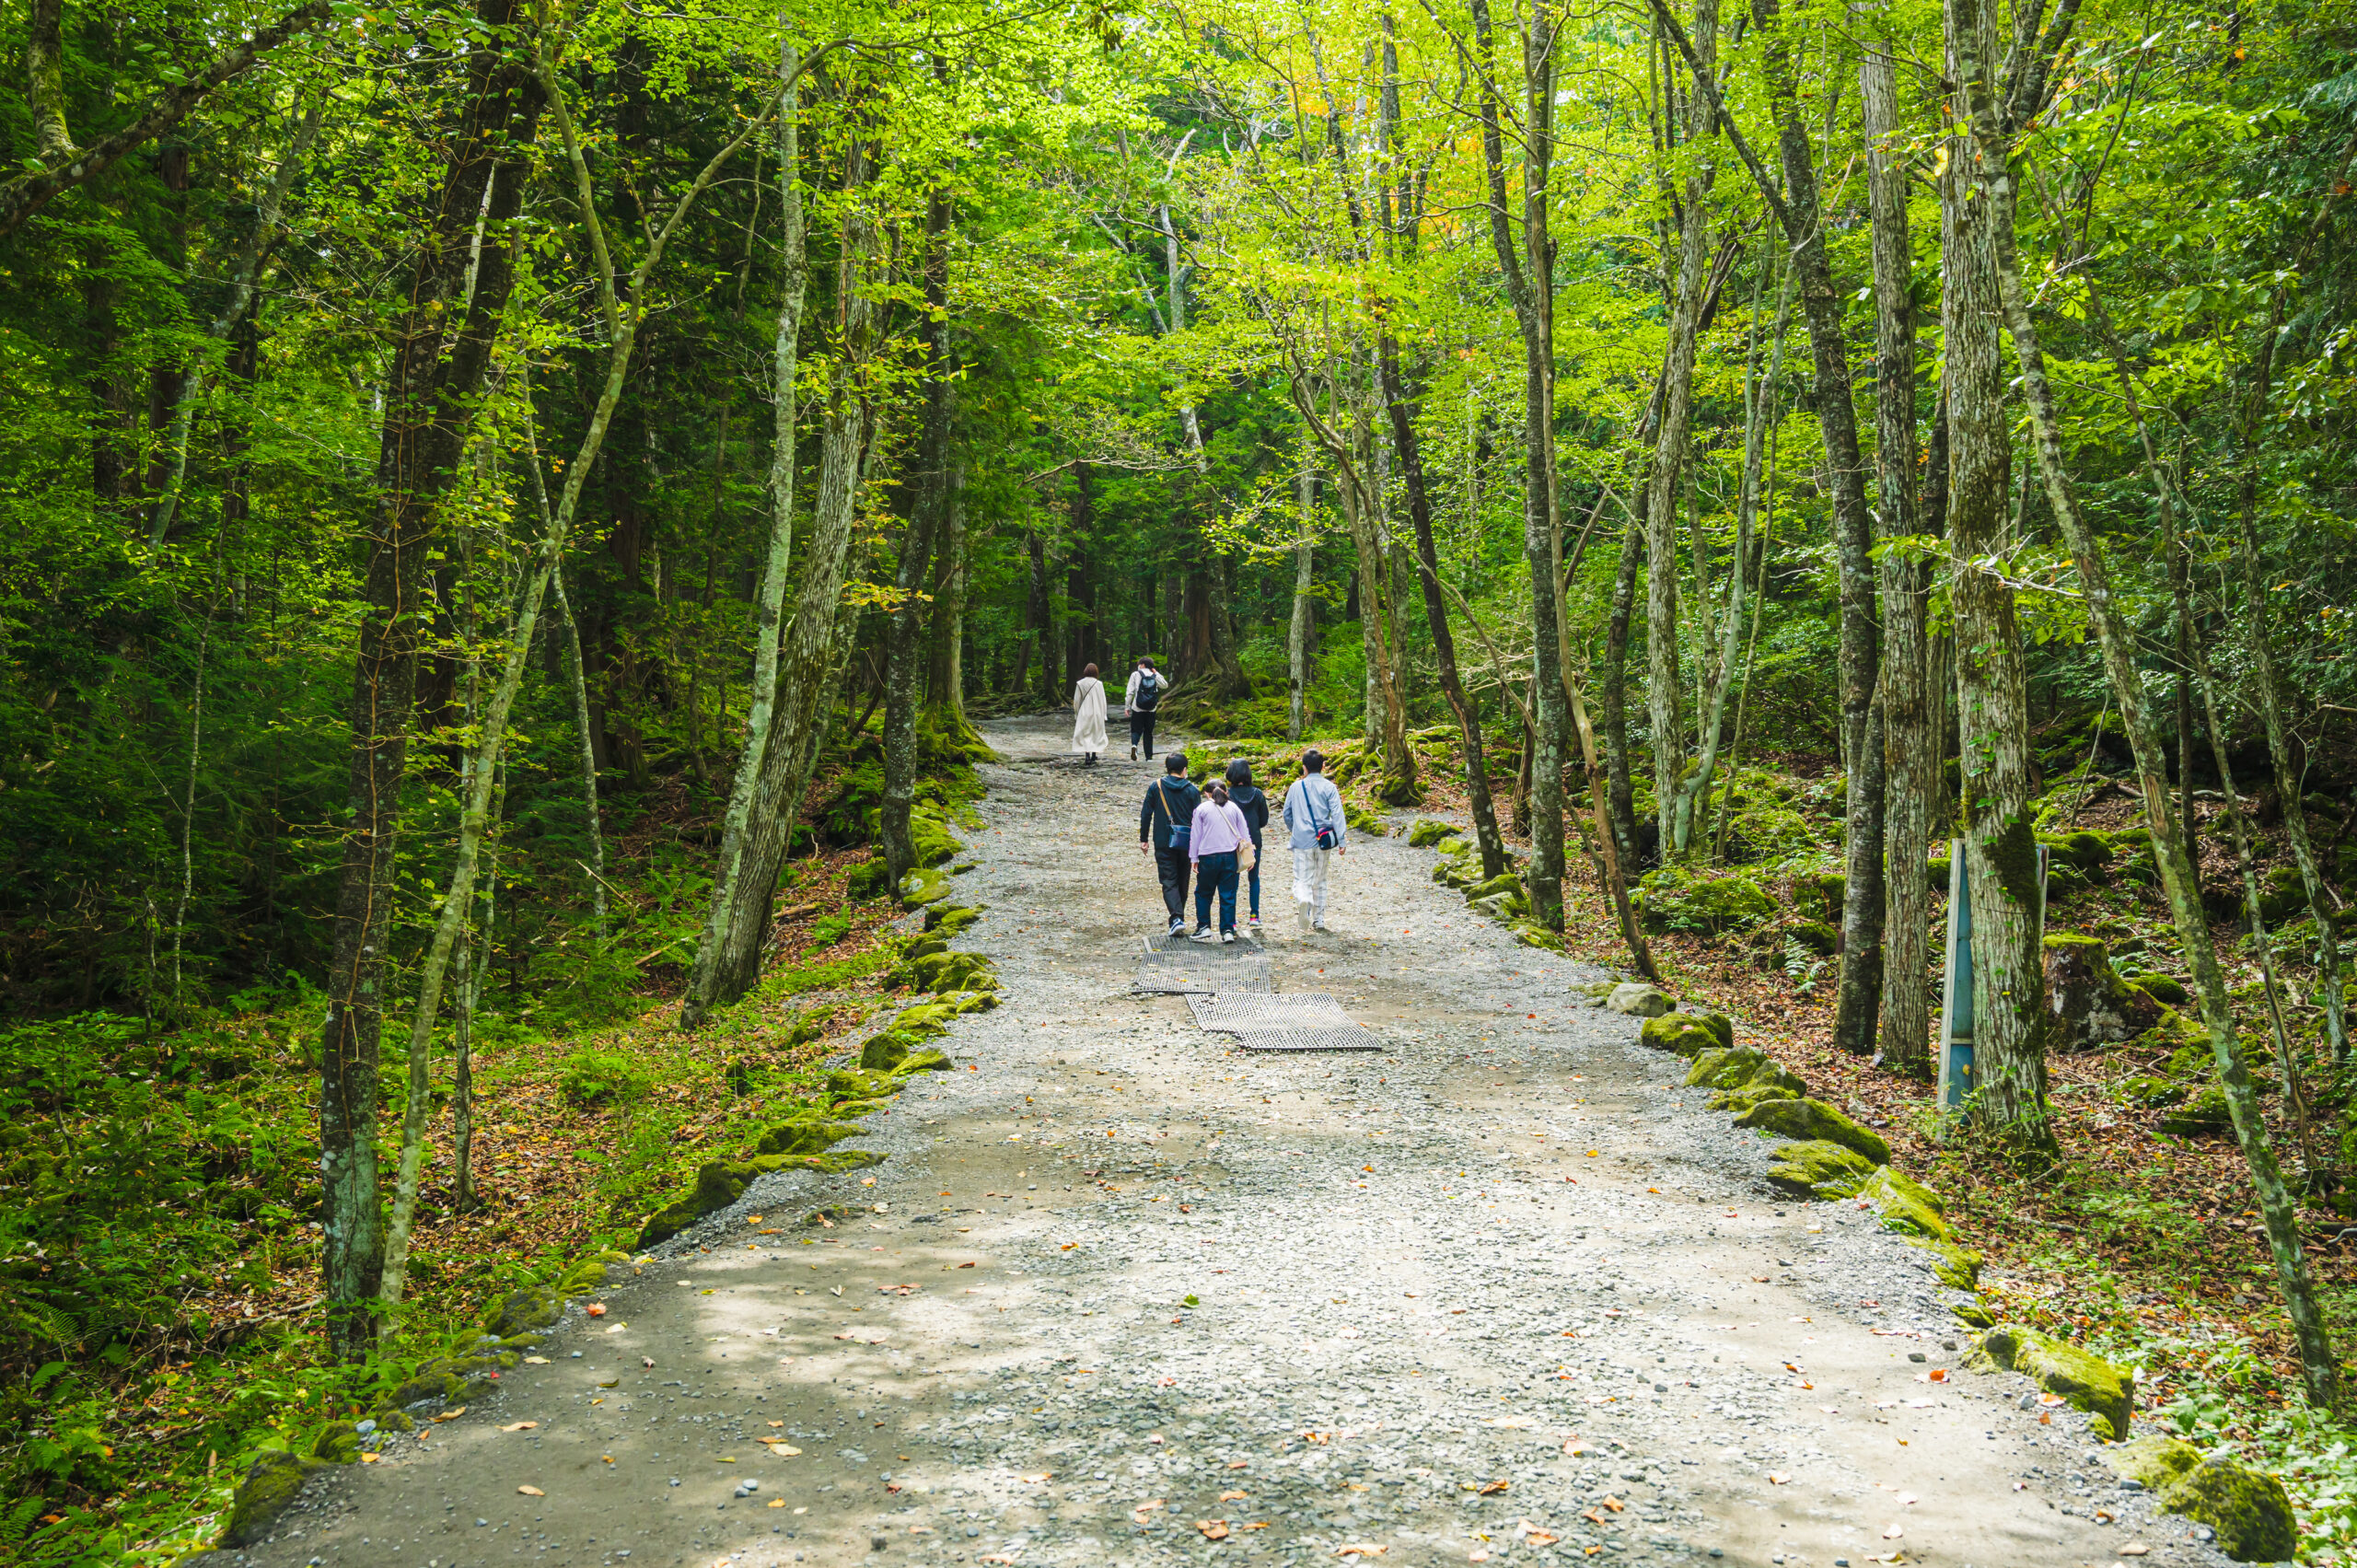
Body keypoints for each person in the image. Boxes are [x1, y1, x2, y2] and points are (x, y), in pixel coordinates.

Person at [1280, 748, 1348, 933]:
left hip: (1301, 840)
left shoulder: (1295, 787)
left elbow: (1287, 813)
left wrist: (1295, 830)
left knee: (1302, 878)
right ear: (1323, 766)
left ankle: (1304, 898)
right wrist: (1341, 840)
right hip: (1323, 840)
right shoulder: (1329, 787)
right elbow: (1337, 814)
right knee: (1320, 879)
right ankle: (1319, 919)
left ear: (1304, 767)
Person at [1138, 752, 1202, 935]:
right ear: (1184, 770)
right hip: (1187, 842)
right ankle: (1178, 917)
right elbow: (1199, 820)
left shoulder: (1156, 787)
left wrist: (1144, 839)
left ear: (1167, 768)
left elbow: (1146, 813)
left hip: (1163, 840)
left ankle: (1176, 918)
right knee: (1183, 880)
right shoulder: (1192, 790)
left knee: (1168, 880)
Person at [1188, 781, 1253, 943]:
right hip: (1229, 856)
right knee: (1228, 894)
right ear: (1226, 792)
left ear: (1206, 793)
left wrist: (1193, 858)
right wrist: (1250, 854)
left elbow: (1195, 835)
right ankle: (1227, 930)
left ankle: (1204, 926)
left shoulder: (1201, 809)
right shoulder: (1234, 808)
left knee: (1203, 893)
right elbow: (1244, 832)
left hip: (1207, 856)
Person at [1224, 758, 1269, 930]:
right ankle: (1254, 916)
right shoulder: (1257, 794)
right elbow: (1264, 820)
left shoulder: (1227, 795)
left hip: (1233, 842)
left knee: (1232, 880)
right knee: (1254, 878)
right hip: (1253, 841)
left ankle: (1232, 920)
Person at [1122, 657, 1164, 761]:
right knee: (1148, 732)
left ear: (1143, 665)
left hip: (1138, 707)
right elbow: (1165, 685)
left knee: (1136, 730)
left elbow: (1130, 692)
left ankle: (1134, 746)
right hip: (1151, 708)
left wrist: (1127, 707)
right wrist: (1156, 673)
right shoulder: (1154, 675)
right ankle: (1149, 757)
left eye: (1140, 664)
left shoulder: (1135, 674)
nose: (1139, 666)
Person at [1071, 663, 1108, 764]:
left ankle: (1087, 755)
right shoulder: (1099, 684)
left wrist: (1077, 713)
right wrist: (1104, 714)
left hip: (1084, 711)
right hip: (1097, 712)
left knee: (1085, 734)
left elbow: (1077, 701)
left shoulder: (1080, 684)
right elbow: (1103, 700)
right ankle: (1094, 754)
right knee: (1096, 733)